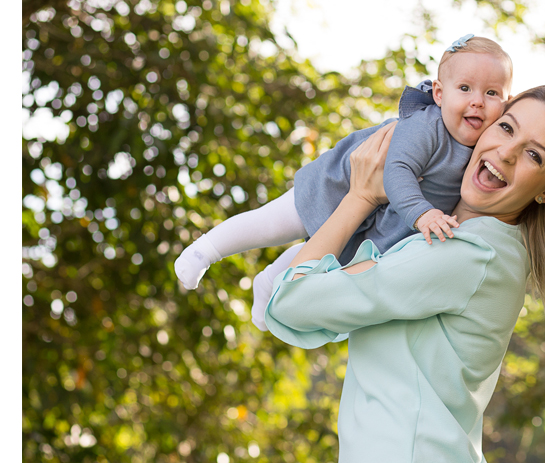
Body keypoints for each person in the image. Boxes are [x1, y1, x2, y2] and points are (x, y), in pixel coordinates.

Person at [262, 85, 545, 463]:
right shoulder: (484, 248)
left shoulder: (467, 253)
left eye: (534, 155)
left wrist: (361, 197)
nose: (506, 153)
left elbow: (290, 302)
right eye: (506, 128)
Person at [174, 35, 514, 326]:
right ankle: (202, 252)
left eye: (492, 93)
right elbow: (397, 172)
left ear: (507, 102)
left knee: (319, 253)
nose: (477, 101)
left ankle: (267, 284)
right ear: (439, 94)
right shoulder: (428, 127)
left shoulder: (486, 149)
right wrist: (423, 214)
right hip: (338, 182)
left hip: (378, 217)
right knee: (275, 222)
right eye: (465, 88)